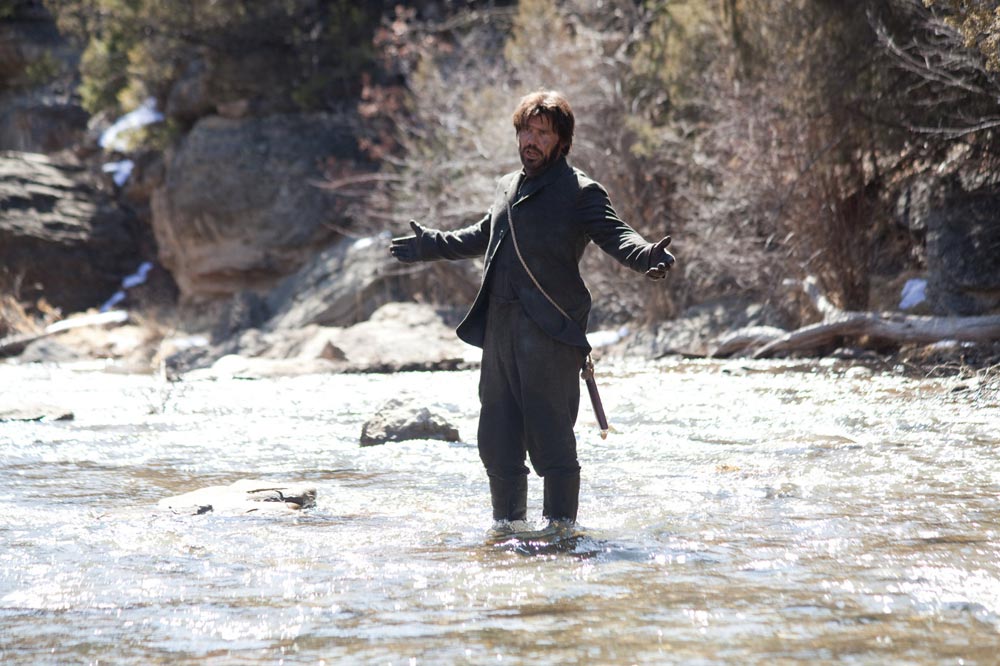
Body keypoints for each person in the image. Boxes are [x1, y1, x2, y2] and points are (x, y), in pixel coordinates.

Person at [390, 90, 674, 531]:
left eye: (542, 132)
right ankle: (508, 533)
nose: (531, 140)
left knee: (552, 446)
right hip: (500, 335)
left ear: (562, 141)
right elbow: (483, 234)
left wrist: (645, 256)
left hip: (550, 337)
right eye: (526, 130)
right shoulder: (508, 185)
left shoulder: (580, 192)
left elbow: (617, 236)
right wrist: (432, 244)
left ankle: (561, 536)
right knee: (497, 443)